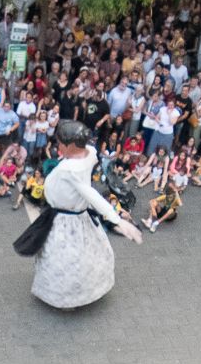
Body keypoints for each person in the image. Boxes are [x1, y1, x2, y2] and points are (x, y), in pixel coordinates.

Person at [23, 121, 142, 310]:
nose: (58, 146)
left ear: (71, 145)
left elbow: (91, 195)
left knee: (66, 259)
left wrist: (117, 220)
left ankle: (68, 298)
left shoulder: (70, 170)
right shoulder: (89, 153)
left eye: (61, 142)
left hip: (67, 220)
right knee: (82, 255)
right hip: (72, 215)